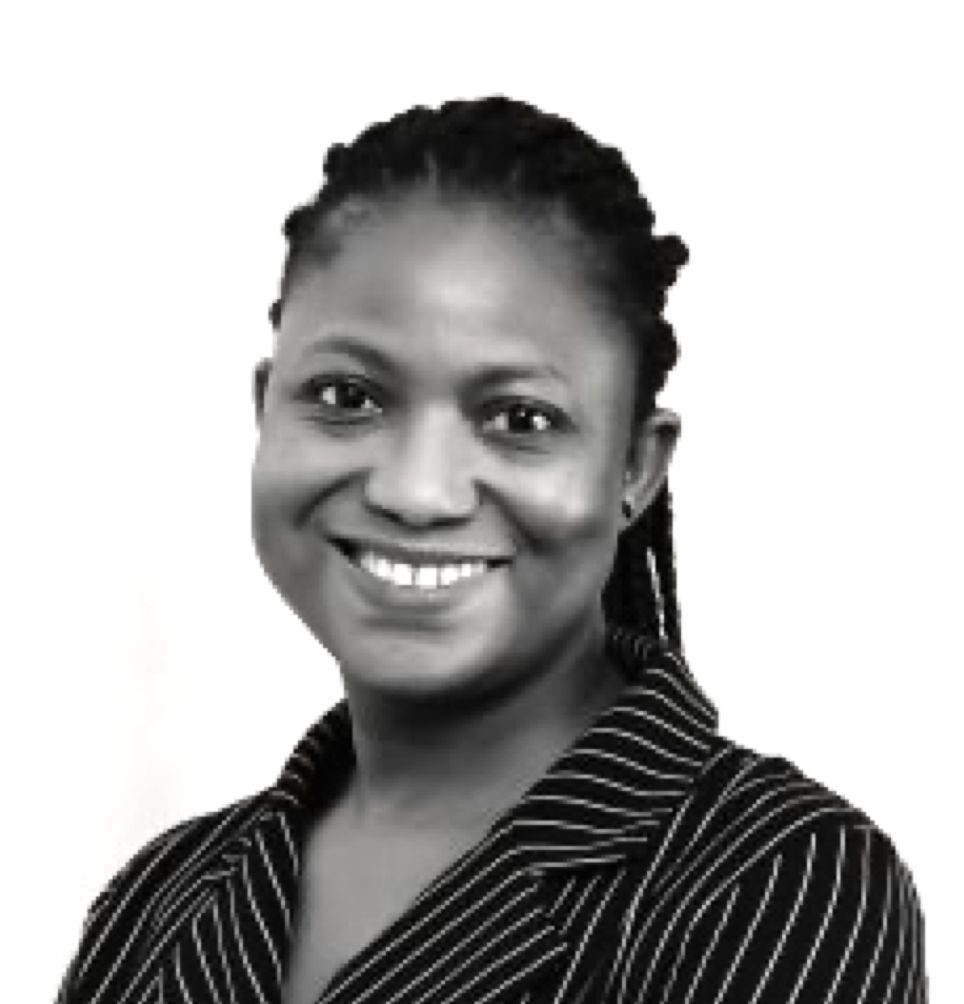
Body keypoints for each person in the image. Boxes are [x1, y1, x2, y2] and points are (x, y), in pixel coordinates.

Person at [57, 96, 927, 1004]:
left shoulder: (775, 882)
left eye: (520, 419)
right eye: (349, 398)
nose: (417, 491)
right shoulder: (159, 900)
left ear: (634, 466)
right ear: (265, 409)